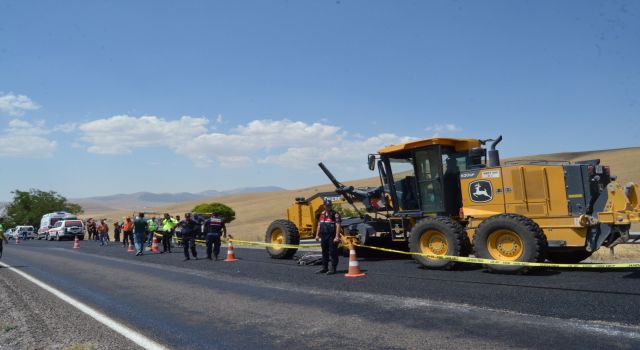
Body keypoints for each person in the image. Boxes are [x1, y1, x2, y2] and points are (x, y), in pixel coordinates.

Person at [315, 199, 342, 275]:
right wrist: (317, 235)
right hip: (324, 236)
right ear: (324, 206)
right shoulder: (322, 214)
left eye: (330, 205)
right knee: (324, 252)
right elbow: (319, 225)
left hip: (332, 235)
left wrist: (337, 236)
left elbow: (338, 225)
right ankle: (324, 268)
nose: (328, 207)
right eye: (327, 205)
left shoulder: (335, 214)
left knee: (333, 252)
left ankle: (333, 269)